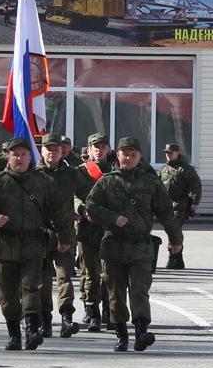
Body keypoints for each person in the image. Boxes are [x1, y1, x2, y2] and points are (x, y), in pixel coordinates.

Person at [0, 137, 75, 350]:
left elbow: (60, 212)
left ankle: (32, 330)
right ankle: (14, 334)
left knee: (31, 288)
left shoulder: (43, 182)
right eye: (15, 154)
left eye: (24, 154)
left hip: (33, 243)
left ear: (31, 157)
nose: (19, 158)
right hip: (5, 244)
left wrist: (65, 238)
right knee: (8, 294)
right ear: (8, 157)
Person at [85, 137, 183, 352]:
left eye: (132, 154)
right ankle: (121, 335)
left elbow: (167, 213)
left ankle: (141, 332)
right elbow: (90, 207)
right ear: (118, 155)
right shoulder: (107, 182)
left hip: (141, 246)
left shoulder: (150, 182)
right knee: (115, 293)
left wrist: (176, 240)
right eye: (124, 154)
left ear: (139, 157)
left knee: (139, 291)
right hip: (113, 246)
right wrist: (112, 218)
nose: (128, 158)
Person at [36, 133, 92, 338]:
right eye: (48, 149)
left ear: (62, 152)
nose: (52, 153)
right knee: (42, 281)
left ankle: (67, 318)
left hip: (65, 233)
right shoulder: (33, 174)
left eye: (56, 149)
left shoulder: (71, 173)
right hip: (40, 235)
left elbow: (87, 191)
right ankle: (44, 320)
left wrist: (82, 207)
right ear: (41, 151)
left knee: (64, 278)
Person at [77, 132, 114, 332]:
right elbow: (72, 195)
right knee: (90, 273)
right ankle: (92, 311)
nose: (99, 150)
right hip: (87, 229)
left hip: (110, 231)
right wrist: (81, 208)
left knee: (109, 273)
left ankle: (109, 309)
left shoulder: (116, 171)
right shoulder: (81, 172)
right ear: (89, 149)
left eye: (102, 146)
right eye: (95, 147)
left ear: (108, 148)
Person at [158, 143, 202, 269]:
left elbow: (196, 186)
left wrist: (194, 203)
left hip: (180, 204)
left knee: (174, 229)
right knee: (171, 230)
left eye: (170, 152)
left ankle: (173, 256)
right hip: (166, 205)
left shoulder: (186, 169)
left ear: (177, 153)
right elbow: (157, 186)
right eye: (166, 153)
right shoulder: (163, 169)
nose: (168, 155)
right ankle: (179, 258)